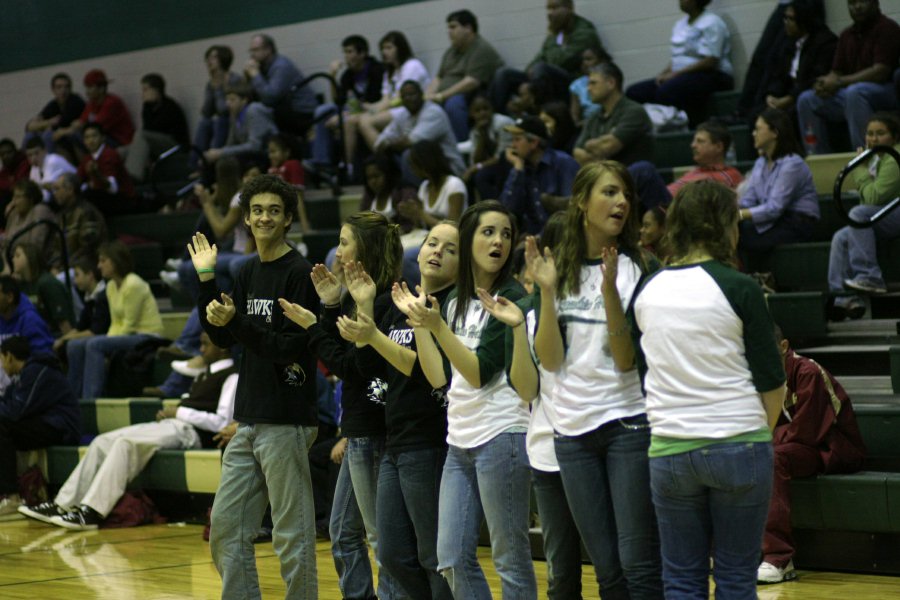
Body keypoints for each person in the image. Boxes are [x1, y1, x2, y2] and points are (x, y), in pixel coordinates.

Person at [633, 179, 786, 599]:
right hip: (739, 445)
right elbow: (772, 381)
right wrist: (758, 431)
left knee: (681, 579)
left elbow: (646, 374)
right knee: (737, 578)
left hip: (670, 450)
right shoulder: (740, 286)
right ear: (725, 225)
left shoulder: (648, 289)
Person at [526, 161, 662, 598]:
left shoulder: (638, 267)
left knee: (638, 564)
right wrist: (545, 293)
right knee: (606, 569)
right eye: (608, 192)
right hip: (570, 434)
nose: (621, 202)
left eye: (624, 194)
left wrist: (609, 298)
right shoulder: (555, 269)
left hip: (627, 423)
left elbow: (627, 363)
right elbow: (549, 360)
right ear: (582, 203)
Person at [397, 200, 538, 598]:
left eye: (506, 234)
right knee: (451, 559)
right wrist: (423, 323)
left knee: (509, 558)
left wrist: (437, 327)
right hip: (459, 442)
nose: (498, 241)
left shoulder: (511, 299)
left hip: (503, 437)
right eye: (488, 232)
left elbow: (477, 375)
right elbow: (439, 376)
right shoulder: (457, 301)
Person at [189, 174, 320, 599]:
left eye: (274, 211)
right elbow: (225, 337)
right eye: (258, 210)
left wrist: (238, 323)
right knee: (226, 531)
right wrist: (206, 281)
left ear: (286, 221)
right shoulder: (245, 271)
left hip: (287, 419)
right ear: (246, 218)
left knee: (292, 537)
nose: (265, 217)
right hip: (248, 420)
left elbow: (290, 347)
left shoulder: (300, 273)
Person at [280, 212, 406, 600]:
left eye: (345, 242)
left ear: (363, 250)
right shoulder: (359, 300)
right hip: (358, 431)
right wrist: (332, 305)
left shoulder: (384, 302)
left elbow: (352, 366)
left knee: (377, 539)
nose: (337, 251)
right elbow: (341, 358)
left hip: (373, 431)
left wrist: (313, 328)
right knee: (342, 533)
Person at [334, 222, 459, 599]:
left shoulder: (452, 306)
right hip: (395, 440)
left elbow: (425, 372)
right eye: (431, 243)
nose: (436, 251)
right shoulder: (401, 300)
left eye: (450, 249)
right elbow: (371, 370)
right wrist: (367, 312)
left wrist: (371, 336)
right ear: (417, 253)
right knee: (391, 552)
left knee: (431, 554)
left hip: (429, 440)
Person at [21, 331, 237, 530]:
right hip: (173, 425)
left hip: (192, 433)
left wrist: (179, 412)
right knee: (102, 441)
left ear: (223, 347)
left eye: (206, 344)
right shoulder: (203, 374)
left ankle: (92, 511)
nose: (201, 349)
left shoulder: (231, 376)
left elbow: (221, 422)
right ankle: (62, 504)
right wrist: (175, 412)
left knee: (126, 445)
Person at [478, 213, 588, 599]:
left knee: (616, 564)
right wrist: (518, 329)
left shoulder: (599, 298)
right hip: (547, 453)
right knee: (561, 574)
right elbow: (526, 391)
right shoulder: (522, 310)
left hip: (600, 449)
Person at [757, 325, 866, 583]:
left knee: (770, 458)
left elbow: (807, 430)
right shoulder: (762, 377)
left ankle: (779, 558)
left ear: (783, 347)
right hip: (799, 447)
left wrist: (765, 440)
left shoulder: (807, 371)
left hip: (833, 449)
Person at [796, 0, 900, 153]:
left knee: (855, 92)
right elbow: (837, 71)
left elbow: (880, 71)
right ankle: (817, 158)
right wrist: (826, 83)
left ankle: (864, 155)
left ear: (876, 3)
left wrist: (839, 82)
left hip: (886, 91)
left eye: (862, 1)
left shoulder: (887, 28)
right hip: (852, 91)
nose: (857, 7)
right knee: (807, 99)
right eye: (852, 3)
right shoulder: (846, 35)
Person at [67, 241, 163, 400]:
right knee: (74, 345)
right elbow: (115, 323)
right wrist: (109, 340)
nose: (99, 266)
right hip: (127, 335)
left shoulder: (133, 283)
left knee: (95, 344)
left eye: (103, 261)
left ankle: (90, 400)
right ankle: (72, 399)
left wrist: (108, 343)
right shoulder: (110, 286)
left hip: (147, 336)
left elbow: (129, 324)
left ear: (116, 261)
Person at [828, 112, 900, 318]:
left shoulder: (894, 157)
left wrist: (859, 168)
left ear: (894, 137)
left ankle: (870, 276)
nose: (873, 139)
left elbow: (872, 198)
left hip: (895, 212)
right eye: (869, 134)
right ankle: (843, 298)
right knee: (840, 237)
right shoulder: (876, 157)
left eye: (880, 133)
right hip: (885, 213)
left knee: (858, 214)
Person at [0, 335, 79, 518]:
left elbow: (16, 410)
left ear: (9, 356)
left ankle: (12, 497)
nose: (2, 365)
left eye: (1, 359)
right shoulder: (22, 376)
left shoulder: (38, 371)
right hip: (45, 423)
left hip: (61, 427)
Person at [626, 0, 734, 126]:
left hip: (713, 75)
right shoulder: (680, 24)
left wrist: (675, 75)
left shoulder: (712, 22)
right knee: (635, 92)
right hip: (682, 75)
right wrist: (663, 74)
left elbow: (711, 61)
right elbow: (678, 58)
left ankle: (683, 125)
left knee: (668, 91)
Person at [738, 108, 819, 274]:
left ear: (774, 132)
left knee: (741, 236)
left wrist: (738, 215)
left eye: (758, 129)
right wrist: (729, 210)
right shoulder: (760, 163)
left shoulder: (792, 164)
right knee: (732, 232)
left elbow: (775, 208)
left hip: (797, 222)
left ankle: (762, 281)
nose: (753, 133)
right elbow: (748, 200)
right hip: (776, 220)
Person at [490, 0, 606, 112]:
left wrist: (554, 33)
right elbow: (537, 59)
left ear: (569, 8)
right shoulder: (559, 32)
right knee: (504, 74)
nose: (550, 13)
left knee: (541, 69)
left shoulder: (584, 33)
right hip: (546, 82)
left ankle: (540, 112)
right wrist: (527, 83)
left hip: (573, 85)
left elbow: (559, 61)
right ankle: (500, 119)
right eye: (548, 8)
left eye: (555, 8)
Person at [425, 10, 504, 143]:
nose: (449, 32)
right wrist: (427, 95)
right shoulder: (451, 51)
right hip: (446, 95)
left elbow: (471, 82)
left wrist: (441, 96)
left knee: (453, 104)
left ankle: (462, 145)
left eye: (453, 27)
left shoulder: (481, 48)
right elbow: (439, 77)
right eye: (448, 28)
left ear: (468, 28)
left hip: (473, 95)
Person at [628, 120, 744, 209]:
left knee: (644, 170)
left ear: (718, 147)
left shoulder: (730, 174)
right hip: (661, 207)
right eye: (694, 141)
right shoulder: (695, 171)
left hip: (677, 214)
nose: (693, 145)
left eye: (700, 141)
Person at [311, 35, 384, 173]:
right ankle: (322, 162)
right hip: (352, 110)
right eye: (345, 52)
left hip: (372, 110)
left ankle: (347, 167)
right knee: (322, 111)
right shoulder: (348, 75)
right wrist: (332, 75)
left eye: (350, 52)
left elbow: (373, 103)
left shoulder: (376, 70)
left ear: (362, 53)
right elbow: (338, 101)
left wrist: (343, 116)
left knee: (343, 119)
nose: (346, 56)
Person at [499, 115, 580, 235]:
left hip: (563, 236)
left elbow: (573, 211)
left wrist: (540, 238)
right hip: (533, 239)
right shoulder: (520, 168)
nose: (512, 146)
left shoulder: (563, 163)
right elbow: (506, 211)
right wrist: (517, 168)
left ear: (534, 143)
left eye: (517, 139)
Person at [357, 32, 431, 155]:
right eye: (382, 48)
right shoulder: (390, 72)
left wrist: (373, 111)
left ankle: (385, 160)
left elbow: (399, 99)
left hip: (409, 108)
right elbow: (386, 99)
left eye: (389, 48)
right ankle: (349, 166)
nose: (384, 52)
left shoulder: (412, 65)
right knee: (353, 120)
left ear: (400, 48)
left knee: (365, 122)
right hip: (395, 108)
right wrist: (367, 107)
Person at [376, 81, 466, 181]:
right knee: (382, 157)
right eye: (404, 96)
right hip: (427, 169)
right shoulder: (403, 114)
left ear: (421, 94)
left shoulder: (433, 112)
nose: (408, 98)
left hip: (450, 169)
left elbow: (410, 142)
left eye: (412, 94)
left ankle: (414, 191)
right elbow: (380, 142)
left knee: (410, 155)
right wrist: (387, 145)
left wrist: (389, 145)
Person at [762, 0, 837, 118]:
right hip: (787, 96)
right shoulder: (788, 44)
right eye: (785, 18)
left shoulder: (825, 42)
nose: (785, 23)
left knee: (791, 113)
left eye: (790, 19)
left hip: (808, 95)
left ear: (803, 20)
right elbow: (779, 77)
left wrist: (788, 99)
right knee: (758, 114)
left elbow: (814, 79)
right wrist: (771, 95)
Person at [574, 62, 654, 167]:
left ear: (611, 83)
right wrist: (600, 142)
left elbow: (608, 147)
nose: (588, 89)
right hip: (605, 176)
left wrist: (589, 145)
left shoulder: (634, 111)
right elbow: (577, 153)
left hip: (631, 176)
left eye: (593, 83)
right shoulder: (594, 116)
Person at [245, 33, 317, 137]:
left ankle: (274, 145)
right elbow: (251, 96)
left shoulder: (281, 66)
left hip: (301, 111)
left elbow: (270, 98)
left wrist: (255, 75)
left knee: (256, 109)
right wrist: (248, 76)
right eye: (251, 50)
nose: (252, 54)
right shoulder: (262, 66)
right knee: (250, 110)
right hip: (285, 109)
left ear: (268, 50)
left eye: (256, 50)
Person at [124, 73, 190, 183]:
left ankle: (132, 176)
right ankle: (112, 181)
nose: (142, 94)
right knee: (121, 151)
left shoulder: (170, 107)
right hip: (155, 143)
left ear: (156, 90)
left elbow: (154, 131)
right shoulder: (148, 107)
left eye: (145, 90)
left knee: (140, 135)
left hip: (175, 145)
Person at [192, 45, 244, 169]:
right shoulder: (211, 84)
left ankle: (212, 161)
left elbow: (225, 108)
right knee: (205, 122)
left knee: (219, 121)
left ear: (223, 59)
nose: (209, 61)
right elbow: (206, 112)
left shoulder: (235, 79)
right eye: (208, 58)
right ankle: (194, 164)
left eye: (214, 57)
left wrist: (219, 89)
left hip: (236, 118)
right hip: (222, 120)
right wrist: (213, 86)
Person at [54, 69, 135, 148]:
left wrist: (67, 131)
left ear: (101, 89)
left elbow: (95, 128)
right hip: (103, 137)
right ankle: (85, 161)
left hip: (119, 141)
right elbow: (82, 121)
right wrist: (71, 128)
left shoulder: (111, 103)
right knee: (67, 138)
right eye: (86, 87)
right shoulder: (92, 103)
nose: (87, 92)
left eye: (90, 87)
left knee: (81, 136)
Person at [204, 81, 278, 166]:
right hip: (253, 156)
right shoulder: (234, 115)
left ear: (244, 100)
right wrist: (216, 154)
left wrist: (221, 152)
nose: (227, 104)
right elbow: (230, 143)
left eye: (232, 99)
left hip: (267, 156)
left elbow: (255, 146)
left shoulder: (253, 110)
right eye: (227, 99)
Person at [11, 241, 75, 335]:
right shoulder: (21, 285)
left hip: (53, 337)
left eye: (17, 255)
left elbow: (64, 323)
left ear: (30, 257)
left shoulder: (48, 283)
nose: (13, 259)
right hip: (32, 336)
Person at [459, 94, 514, 201]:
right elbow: (475, 160)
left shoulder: (502, 123)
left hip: (510, 161)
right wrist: (482, 135)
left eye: (485, 108)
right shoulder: (475, 130)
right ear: (471, 113)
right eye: (477, 110)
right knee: (468, 179)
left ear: (492, 109)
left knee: (481, 176)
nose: (482, 113)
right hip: (493, 164)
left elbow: (501, 156)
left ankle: (494, 209)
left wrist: (474, 168)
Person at [52, 256, 110, 356]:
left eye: (77, 275)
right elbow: (79, 327)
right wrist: (61, 339)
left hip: (104, 338)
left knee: (73, 345)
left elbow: (94, 332)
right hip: (95, 337)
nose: (75, 281)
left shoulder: (103, 296)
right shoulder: (89, 298)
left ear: (90, 275)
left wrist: (65, 339)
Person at [77, 122, 137, 216]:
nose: (90, 140)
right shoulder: (87, 158)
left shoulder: (109, 154)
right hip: (104, 198)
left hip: (124, 199)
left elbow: (113, 189)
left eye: (94, 136)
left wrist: (96, 174)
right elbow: (78, 180)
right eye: (87, 137)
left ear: (103, 138)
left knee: (89, 197)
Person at [51, 172, 107, 268]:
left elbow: (88, 249)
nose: (54, 194)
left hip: (87, 268)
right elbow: (55, 248)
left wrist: (65, 268)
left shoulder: (87, 212)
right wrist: (55, 267)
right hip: (68, 268)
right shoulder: (60, 216)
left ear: (70, 190)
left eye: (57, 189)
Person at [24, 73, 86, 154]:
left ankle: (50, 163)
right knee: (29, 136)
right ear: (53, 90)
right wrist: (48, 122)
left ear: (70, 89)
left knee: (47, 135)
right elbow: (29, 126)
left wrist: (45, 125)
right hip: (60, 136)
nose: (63, 90)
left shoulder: (76, 102)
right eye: (59, 87)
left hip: (75, 136)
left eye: (66, 87)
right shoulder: (53, 105)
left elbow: (61, 123)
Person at [2, 180, 58, 269]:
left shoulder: (40, 211)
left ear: (31, 198)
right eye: (14, 197)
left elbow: (35, 248)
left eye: (18, 197)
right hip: (13, 263)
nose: (14, 201)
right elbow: (6, 244)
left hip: (37, 266)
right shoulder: (14, 214)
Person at [267, 134, 311, 232]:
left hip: (289, 207)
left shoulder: (293, 164)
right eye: (269, 152)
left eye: (274, 152)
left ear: (286, 152)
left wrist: (305, 226)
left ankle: (305, 226)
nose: (270, 156)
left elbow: (298, 195)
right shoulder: (272, 170)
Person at [24, 136, 76, 201]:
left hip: (78, 193)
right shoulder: (34, 168)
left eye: (36, 153)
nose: (33, 158)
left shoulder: (53, 161)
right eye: (29, 155)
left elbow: (46, 196)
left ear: (45, 150)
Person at [569, 46, 611, 127]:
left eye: (589, 59)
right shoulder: (577, 85)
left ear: (602, 61)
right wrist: (578, 124)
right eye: (582, 60)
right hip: (586, 125)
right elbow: (574, 115)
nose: (584, 63)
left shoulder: (610, 80)